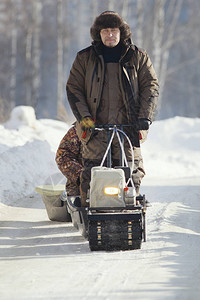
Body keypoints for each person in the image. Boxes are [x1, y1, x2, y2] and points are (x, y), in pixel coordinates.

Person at [66, 11, 159, 206]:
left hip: (129, 129)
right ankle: (89, 213)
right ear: (98, 34)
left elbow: (150, 87)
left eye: (113, 30)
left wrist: (144, 118)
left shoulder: (138, 57)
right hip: (95, 130)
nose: (110, 35)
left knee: (131, 173)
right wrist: (85, 120)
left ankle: (130, 211)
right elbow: (74, 89)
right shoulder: (84, 58)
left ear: (121, 32)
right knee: (92, 174)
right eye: (105, 31)